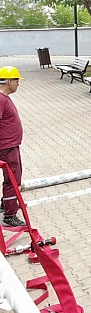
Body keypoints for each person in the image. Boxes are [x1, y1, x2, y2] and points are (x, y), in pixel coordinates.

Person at [0, 66, 27, 227]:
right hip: (7, 147)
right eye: (16, 80)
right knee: (12, 180)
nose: (18, 84)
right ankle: (10, 215)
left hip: (11, 146)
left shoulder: (4, 98)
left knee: (12, 179)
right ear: (9, 81)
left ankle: (6, 204)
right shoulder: (1, 99)